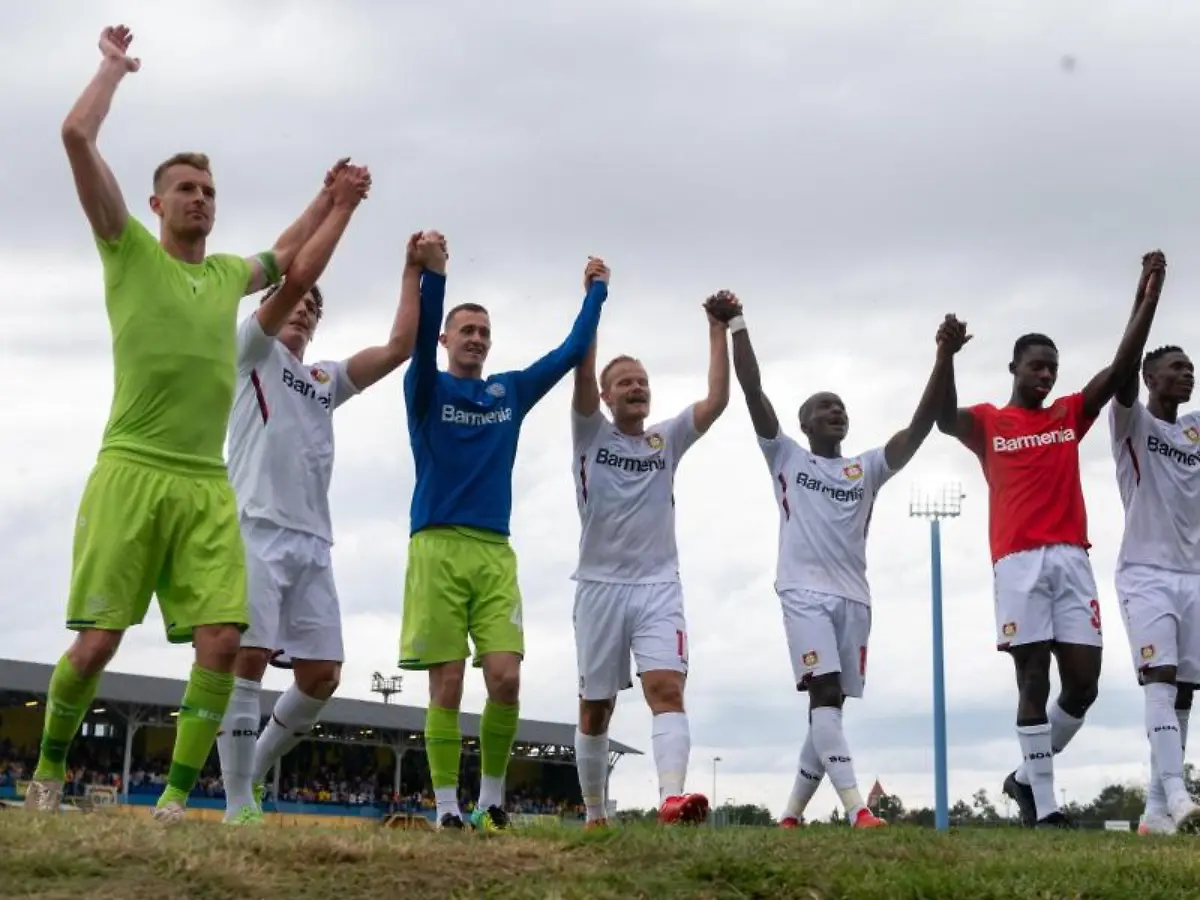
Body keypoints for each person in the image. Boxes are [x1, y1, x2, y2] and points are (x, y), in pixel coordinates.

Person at [24, 25, 349, 825]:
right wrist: (111, 68)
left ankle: (174, 800)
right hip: (132, 469)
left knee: (222, 640)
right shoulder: (127, 250)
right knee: (97, 647)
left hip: (207, 484)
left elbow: (286, 256)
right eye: (186, 189)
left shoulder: (229, 275)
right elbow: (74, 134)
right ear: (156, 203)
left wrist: (330, 197)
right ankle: (48, 770)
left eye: (208, 190)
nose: (200, 199)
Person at [707, 293, 969, 829]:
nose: (836, 411)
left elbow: (919, 430)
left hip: (855, 599)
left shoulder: (866, 469)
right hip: (802, 592)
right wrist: (737, 324)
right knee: (824, 692)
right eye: (824, 406)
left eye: (841, 406)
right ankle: (857, 809)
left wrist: (943, 357)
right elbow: (753, 390)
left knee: (828, 710)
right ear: (803, 423)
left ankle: (791, 815)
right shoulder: (785, 456)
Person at [216, 175, 426, 824]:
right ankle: (238, 803)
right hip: (255, 526)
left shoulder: (323, 378)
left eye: (315, 308)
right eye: (297, 302)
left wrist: (411, 273)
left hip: (313, 539)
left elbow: (399, 349)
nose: (306, 311)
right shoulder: (252, 350)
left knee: (322, 677)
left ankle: (253, 771)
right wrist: (341, 205)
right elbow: (296, 278)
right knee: (247, 659)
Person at [937, 251, 1166, 829]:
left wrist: (1147, 298)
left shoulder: (1068, 414)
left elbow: (1119, 369)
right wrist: (945, 353)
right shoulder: (991, 421)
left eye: (1052, 368)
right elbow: (942, 417)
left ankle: (1021, 778)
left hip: (1071, 559)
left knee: (1084, 684)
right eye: (1036, 366)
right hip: (1016, 562)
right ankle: (1046, 807)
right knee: (1032, 676)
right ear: (1014, 366)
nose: (1046, 376)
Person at [400, 241, 610, 832]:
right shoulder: (426, 388)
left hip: (494, 551)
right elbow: (415, 341)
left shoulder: (509, 393)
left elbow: (570, 353)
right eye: (465, 330)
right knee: (445, 684)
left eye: (483, 331)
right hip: (435, 547)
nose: (475, 338)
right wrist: (434, 275)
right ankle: (445, 808)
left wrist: (596, 290)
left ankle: (491, 800)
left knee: (506, 677)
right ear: (446, 340)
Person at [569, 288, 734, 830]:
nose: (637, 388)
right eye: (625, 383)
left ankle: (671, 799)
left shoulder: (667, 440)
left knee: (667, 689)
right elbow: (583, 365)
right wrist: (594, 299)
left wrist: (717, 328)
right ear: (605, 396)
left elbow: (715, 402)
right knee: (596, 707)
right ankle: (594, 813)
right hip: (599, 588)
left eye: (642, 381)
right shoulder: (590, 433)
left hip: (659, 586)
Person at [1109, 293, 1200, 834]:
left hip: (1194, 575)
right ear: (1149, 377)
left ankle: (1152, 813)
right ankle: (1178, 795)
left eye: (1191, 368)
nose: (1187, 375)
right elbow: (1123, 365)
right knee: (1159, 678)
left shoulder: (1195, 430)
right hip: (1145, 573)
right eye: (1175, 368)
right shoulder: (1132, 423)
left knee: (1184, 690)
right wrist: (1147, 296)